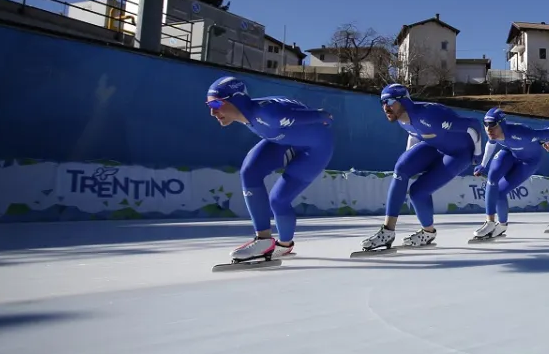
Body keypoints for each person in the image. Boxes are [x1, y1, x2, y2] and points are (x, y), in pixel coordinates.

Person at [205, 76, 334, 263]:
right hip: (284, 140)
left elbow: (322, 115)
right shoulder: (251, 113)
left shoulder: (268, 116)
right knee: (249, 172)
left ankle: (284, 245)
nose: (212, 112)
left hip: (315, 150)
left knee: (278, 200)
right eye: (208, 105)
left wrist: (323, 116)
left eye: (216, 104)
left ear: (236, 99)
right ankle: (263, 240)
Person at [360, 84, 484, 252]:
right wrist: (409, 160)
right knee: (401, 169)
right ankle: (388, 231)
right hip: (434, 145)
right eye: (382, 102)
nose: (385, 107)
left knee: (418, 192)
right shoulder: (401, 118)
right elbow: (414, 134)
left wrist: (477, 154)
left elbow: (474, 125)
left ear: (403, 101)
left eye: (389, 101)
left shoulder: (431, 116)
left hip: (459, 153)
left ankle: (428, 232)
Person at [471, 108, 549, 240]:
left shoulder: (523, 133)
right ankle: (490, 222)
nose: (489, 129)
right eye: (486, 124)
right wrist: (483, 165)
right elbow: (491, 144)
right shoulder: (493, 133)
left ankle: (502, 225)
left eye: (493, 125)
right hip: (510, 152)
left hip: (529, 162)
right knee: (492, 178)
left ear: (502, 124)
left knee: (500, 192)